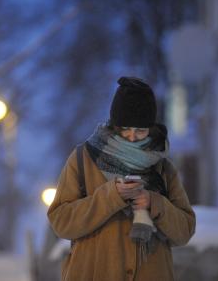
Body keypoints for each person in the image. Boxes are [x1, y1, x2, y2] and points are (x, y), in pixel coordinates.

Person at [47, 76, 196, 281]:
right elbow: (61, 221)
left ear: (151, 129)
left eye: (140, 130)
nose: (132, 137)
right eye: (126, 129)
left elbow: (185, 231)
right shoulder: (84, 158)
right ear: (114, 125)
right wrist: (111, 196)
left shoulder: (164, 168)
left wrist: (154, 203)